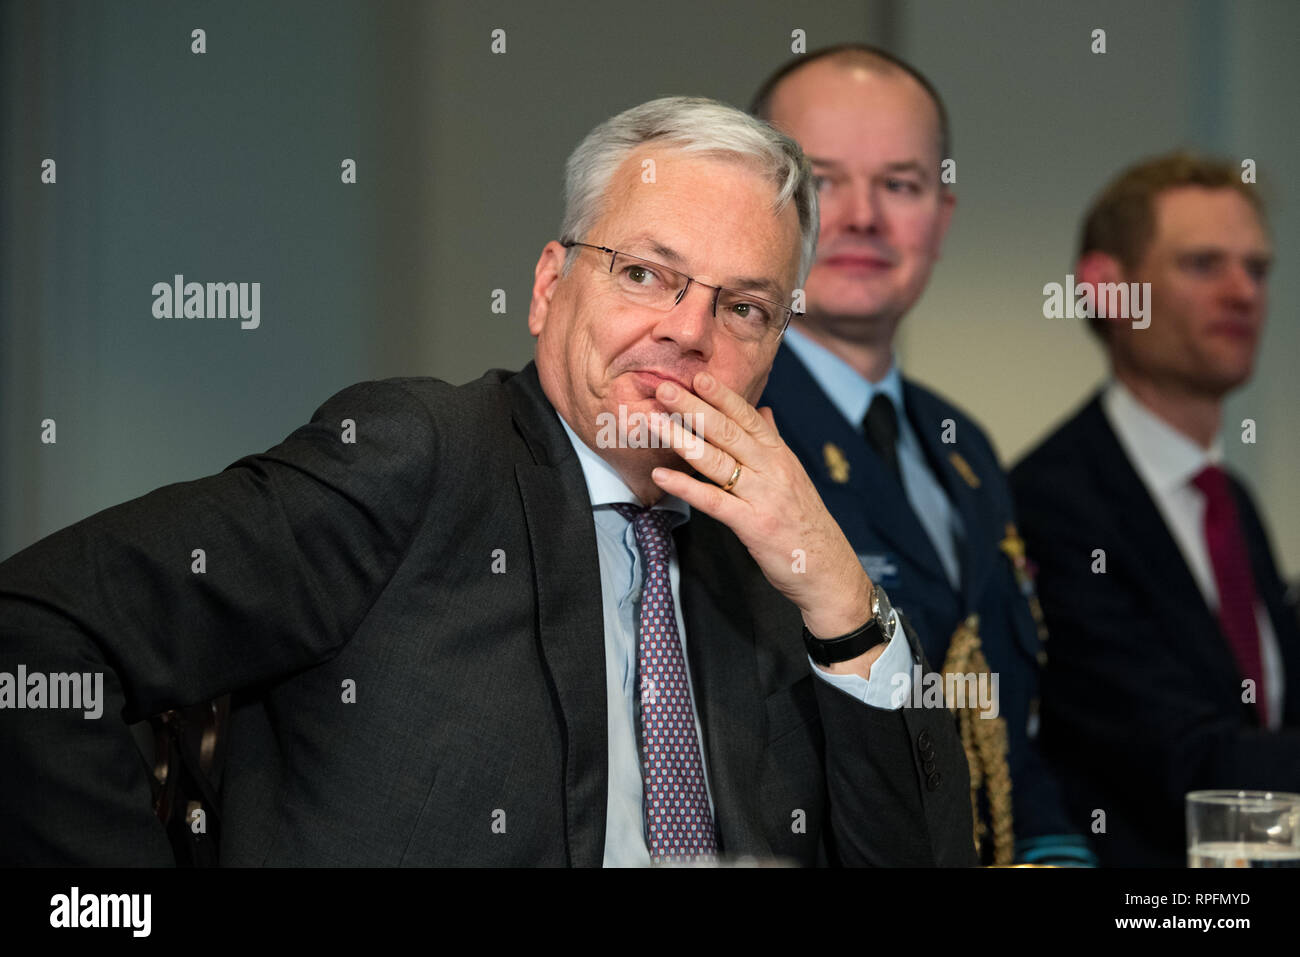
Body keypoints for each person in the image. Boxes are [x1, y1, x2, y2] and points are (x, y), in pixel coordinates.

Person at [0, 96, 977, 867]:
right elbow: (39, 624)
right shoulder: (417, 456)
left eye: (746, 307)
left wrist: (838, 595)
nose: (688, 330)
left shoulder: (768, 551)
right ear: (549, 287)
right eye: (645, 274)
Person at [752, 45, 1090, 865]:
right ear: (760, 206)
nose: (863, 216)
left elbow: (1008, 722)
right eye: (823, 181)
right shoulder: (732, 430)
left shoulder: (963, 446)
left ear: (941, 217)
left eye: (900, 184)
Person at [1010, 152, 1300, 867]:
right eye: (1203, 264)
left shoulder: (1229, 501)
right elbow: (1186, 767)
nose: (1242, 292)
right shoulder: (1050, 502)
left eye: (1257, 269)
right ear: (1107, 289)